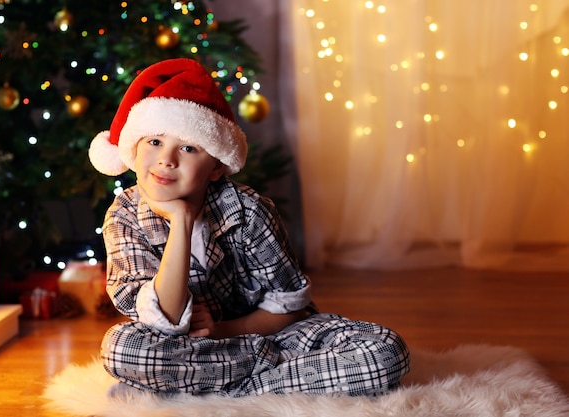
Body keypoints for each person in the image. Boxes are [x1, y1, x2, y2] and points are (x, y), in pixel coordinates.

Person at [88, 58, 410, 398]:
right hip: (179, 344)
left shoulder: (248, 210)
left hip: (268, 335)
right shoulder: (124, 215)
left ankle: (214, 386)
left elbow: (289, 307)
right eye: (154, 142)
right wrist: (181, 223)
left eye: (188, 147)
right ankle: (273, 379)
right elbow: (163, 318)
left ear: (215, 166)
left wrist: (224, 331)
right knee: (122, 348)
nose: (167, 159)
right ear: (133, 150)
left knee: (385, 351)